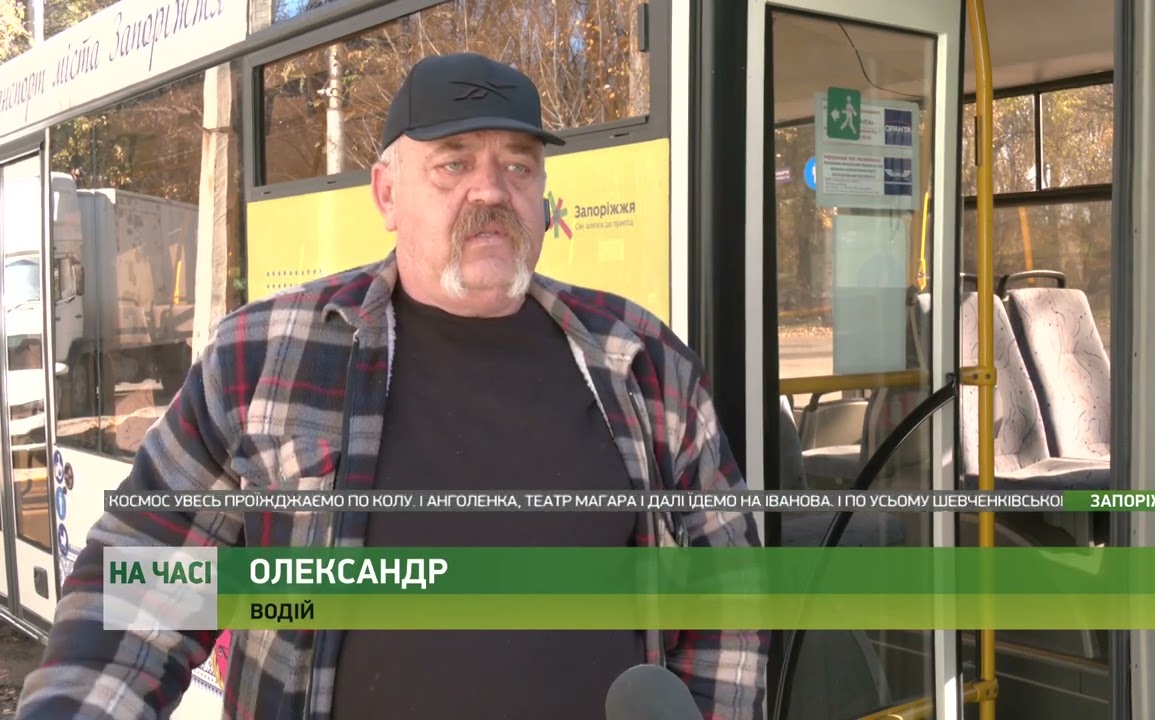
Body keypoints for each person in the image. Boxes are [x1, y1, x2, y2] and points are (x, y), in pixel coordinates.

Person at [16, 52, 766, 719]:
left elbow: (730, 591)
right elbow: (142, 589)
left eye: (518, 166)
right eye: (453, 164)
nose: (491, 190)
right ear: (385, 193)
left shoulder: (643, 361)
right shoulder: (264, 355)